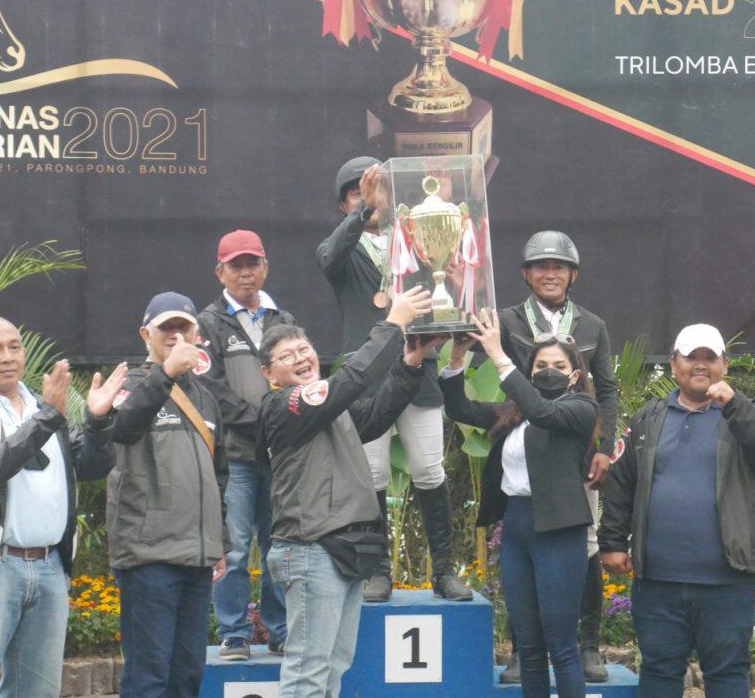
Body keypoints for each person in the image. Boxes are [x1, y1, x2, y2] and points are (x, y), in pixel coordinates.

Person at [258, 286, 442, 698]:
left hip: (342, 549)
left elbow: (375, 416)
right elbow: (354, 378)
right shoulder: (284, 405)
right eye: (285, 357)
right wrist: (393, 323)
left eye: (303, 349)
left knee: (332, 670)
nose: (300, 358)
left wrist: (411, 363)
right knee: (307, 673)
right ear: (269, 375)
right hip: (309, 549)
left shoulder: (328, 407)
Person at [0, 315, 126, 698]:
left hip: (49, 567)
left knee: (37, 692)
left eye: (14, 346)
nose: (8, 357)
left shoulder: (43, 407)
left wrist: (98, 421)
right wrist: (48, 418)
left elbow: (90, 465)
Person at [599, 323, 755, 698]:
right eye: (691, 357)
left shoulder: (744, 416)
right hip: (658, 582)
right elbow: (621, 483)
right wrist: (613, 541)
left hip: (727, 580)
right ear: (673, 364)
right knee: (659, 671)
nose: (700, 365)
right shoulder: (646, 420)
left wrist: (733, 404)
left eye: (710, 358)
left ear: (724, 366)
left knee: (728, 673)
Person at [316, 157, 470, 602]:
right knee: (373, 473)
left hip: (417, 368)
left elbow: (446, 296)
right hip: (363, 378)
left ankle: (443, 571)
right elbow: (328, 258)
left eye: (381, 191)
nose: (371, 199)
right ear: (346, 202)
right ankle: (377, 571)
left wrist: (458, 287)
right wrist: (365, 211)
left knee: (428, 468)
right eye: (358, 193)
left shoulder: (415, 240)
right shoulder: (342, 248)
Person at [441, 311, 599, 698]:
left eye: (559, 365)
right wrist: (458, 357)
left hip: (560, 532)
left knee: (561, 647)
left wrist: (497, 354)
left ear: (575, 374)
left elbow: (544, 412)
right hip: (517, 528)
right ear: (529, 372)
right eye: (541, 364)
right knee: (527, 648)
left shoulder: (579, 410)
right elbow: (458, 408)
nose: (549, 370)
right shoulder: (513, 415)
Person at [496, 230, 617, 682]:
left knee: (583, 549)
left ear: (573, 275)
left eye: (559, 267)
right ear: (527, 274)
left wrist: (605, 448)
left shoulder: (592, 325)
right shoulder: (506, 320)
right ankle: (519, 651)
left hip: (575, 457)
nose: (551, 273)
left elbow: (605, 389)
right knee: (522, 560)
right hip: (526, 446)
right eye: (541, 266)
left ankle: (588, 644)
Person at [108, 292, 229, 698]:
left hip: (197, 559)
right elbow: (124, 428)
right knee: (148, 679)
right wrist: (167, 374)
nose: (176, 335)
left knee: (187, 677)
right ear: (147, 334)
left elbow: (220, 473)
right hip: (149, 558)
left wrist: (220, 540)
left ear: (197, 334)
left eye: (184, 327)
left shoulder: (207, 397)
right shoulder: (131, 385)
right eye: (167, 328)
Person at [198, 230, 294, 660]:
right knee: (235, 549)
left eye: (252, 263)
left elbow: (300, 378)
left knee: (280, 548)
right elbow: (210, 389)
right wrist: (264, 421)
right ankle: (234, 632)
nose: (245, 272)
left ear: (265, 267)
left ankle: (279, 629)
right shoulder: (208, 323)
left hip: (281, 458)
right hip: (235, 457)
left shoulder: (284, 320)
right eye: (235, 265)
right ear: (220, 271)